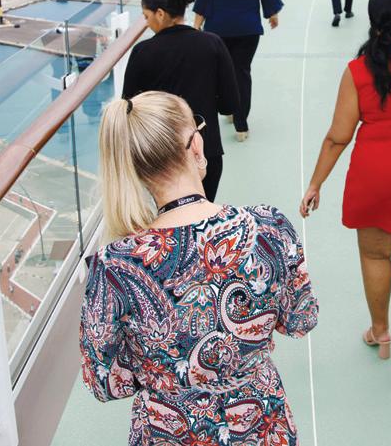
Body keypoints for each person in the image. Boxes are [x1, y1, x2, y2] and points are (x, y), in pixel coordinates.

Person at [81, 91, 318, 446]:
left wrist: (161, 368)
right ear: (195, 145)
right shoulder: (268, 226)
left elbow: (104, 382)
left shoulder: (115, 264)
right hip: (260, 425)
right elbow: (301, 319)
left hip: (167, 432)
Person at [299, 0, 391, 364]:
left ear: (372, 22)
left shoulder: (359, 71)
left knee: (376, 255)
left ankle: (381, 332)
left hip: (374, 177)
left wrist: (315, 183)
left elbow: (338, 136)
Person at [123, 0, 240, 201]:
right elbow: (229, 104)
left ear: (160, 14)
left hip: (161, 156)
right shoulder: (212, 43)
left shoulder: (143, 52)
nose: (147, 23)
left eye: (146, 16)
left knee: (171, 216)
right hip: (206, 152)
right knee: (204, 212)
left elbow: (129, 109)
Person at [193, 0, 284, 142]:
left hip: (218, 33)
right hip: (248, 31)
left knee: (221, 73)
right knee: (241, 73)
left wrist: (196, 26)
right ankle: (241, 125)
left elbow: (204, 0)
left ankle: (228, 109)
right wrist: (272, 15)